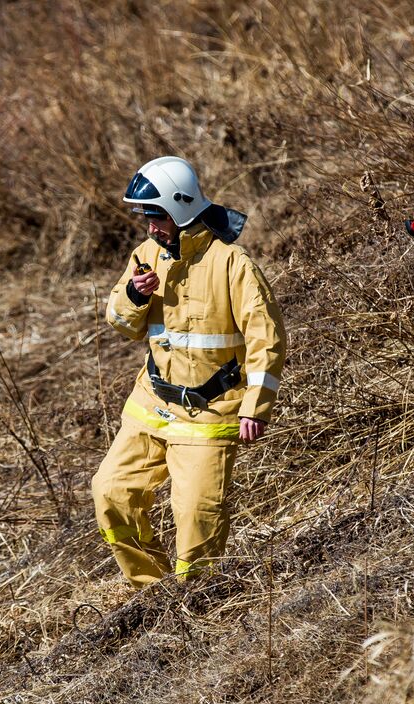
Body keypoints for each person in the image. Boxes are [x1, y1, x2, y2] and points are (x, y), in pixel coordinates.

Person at [92, 156, 286, 587]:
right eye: (146, 217)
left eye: (156, 216)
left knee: (197, 516)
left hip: (211, 413)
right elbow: (122, 326)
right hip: (152, 405)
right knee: (110, 493)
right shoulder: (145, 257)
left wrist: (256, 406)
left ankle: (194, 600)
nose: (149, 227)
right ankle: (151, 593)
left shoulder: (233, 265)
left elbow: (267, 340)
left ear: (180, 209)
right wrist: (132, 296)